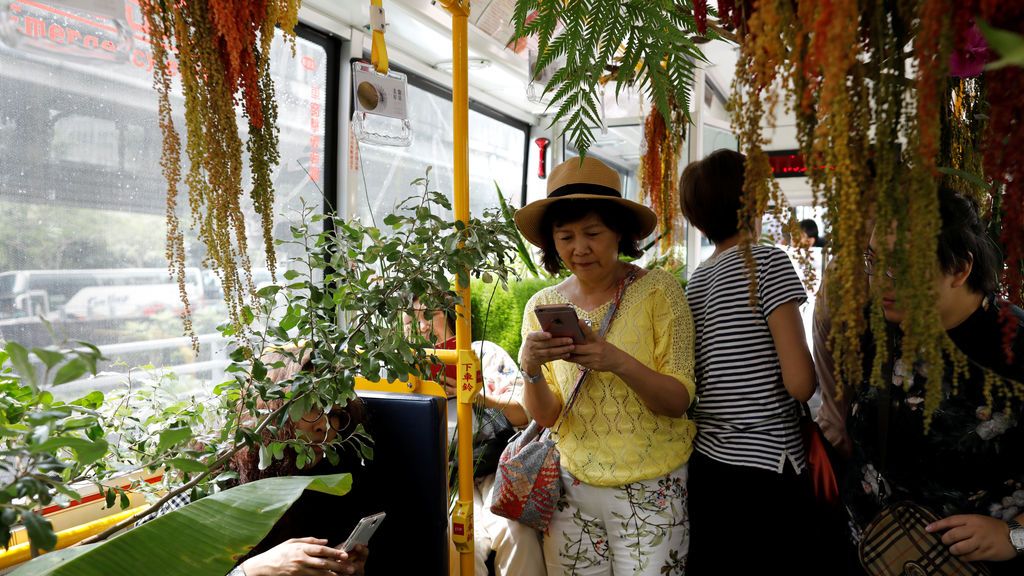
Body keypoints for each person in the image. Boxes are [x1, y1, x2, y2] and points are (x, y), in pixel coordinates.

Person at [515, 156, 695, 575]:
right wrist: (530, 369)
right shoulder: (541, 306)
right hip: (570, 489)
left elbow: (678, 400)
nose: (580, 248)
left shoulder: (658, 292)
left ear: (620, 232)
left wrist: (617, 361)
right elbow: (547, 415)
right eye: (566, 236)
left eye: (593, 233)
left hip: (651, 489)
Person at [843, 187, 1024, 574]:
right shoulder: (877, 328)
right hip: (876, 555)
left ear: (960, 269)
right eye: (874, 261)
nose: (883, 281)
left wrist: (1014, 535)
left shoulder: (1014, 346)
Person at [679, 149, 825, 575]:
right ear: (756, 200)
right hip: (767, 466)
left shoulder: (695, 281)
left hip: (708, 466)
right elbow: (799, 383)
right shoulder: (768, 262)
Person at [141, 349, 370, 576]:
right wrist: (251, 571)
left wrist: (331, 567)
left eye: (335, 413)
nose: (326, 426)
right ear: (269, 411)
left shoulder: (309, 483)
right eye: (309, 406)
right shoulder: (208, 483)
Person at [403, 295, 545, 576]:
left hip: (495, 468)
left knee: (517, 533)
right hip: (446, 477)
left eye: (428, 315)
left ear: (450, 314)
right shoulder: (405, 372)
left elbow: (527, 415)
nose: (421, 327)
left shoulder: (483, 354)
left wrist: (478, 396)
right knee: (461, 542)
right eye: (411, 321)